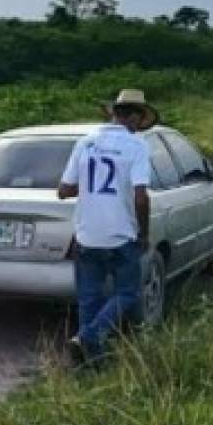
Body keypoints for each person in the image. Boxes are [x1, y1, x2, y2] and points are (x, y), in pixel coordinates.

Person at [57, 89, 157, 365]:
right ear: (135, 117)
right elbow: (141, 196)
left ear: (114, 113)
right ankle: (89, 338)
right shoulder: (136, 147)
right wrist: (144, 233)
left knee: (89, 300)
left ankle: (89, 363)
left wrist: (88, 185)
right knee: (127, 294)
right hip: (120, 235)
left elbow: (64, 190)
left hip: (87, 236)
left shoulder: (86, 142)